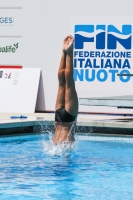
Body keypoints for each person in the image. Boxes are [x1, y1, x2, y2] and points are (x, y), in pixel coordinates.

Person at [53, 35, 78, 144]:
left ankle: (69, 52)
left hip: (68, 120)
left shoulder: (58, 145)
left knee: (69, 84)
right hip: (58, 117)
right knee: (62, 84)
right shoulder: (53, 144)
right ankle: (64, 52)